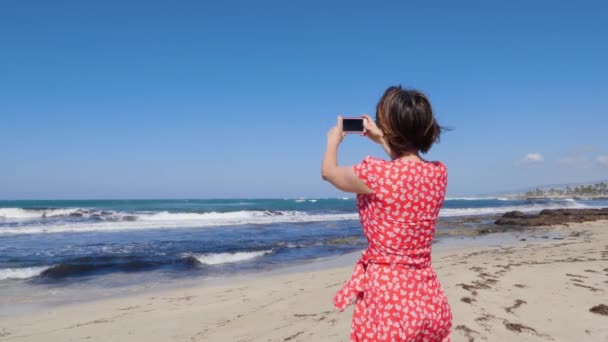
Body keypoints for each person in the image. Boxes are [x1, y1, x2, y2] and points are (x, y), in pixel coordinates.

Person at [321, 86, 452, 341]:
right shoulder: (438, 173)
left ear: (389, 128)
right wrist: (382, 138)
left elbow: (329, 172)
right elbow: (405, 167)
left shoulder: (375, 174)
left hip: (388, 298)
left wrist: (333, 141)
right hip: (427, 295)